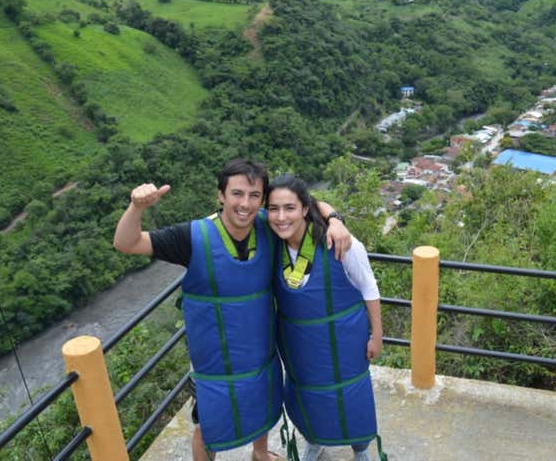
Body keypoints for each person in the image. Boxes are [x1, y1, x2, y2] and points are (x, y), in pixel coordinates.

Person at [113, 159, 352, 461]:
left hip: (259, 349)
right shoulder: (192, 237)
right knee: (207, 422)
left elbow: (307, 201)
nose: (245, 204)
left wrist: (335, 219)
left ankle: (260, 454)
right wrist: (137, 208)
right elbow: (126, 243)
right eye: (237, 194)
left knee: (261, 404)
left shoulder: (268, 225)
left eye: (255, 196)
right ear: (221, 196)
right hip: (213, 358)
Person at [265, 174, 384, 461]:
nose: (281, 217)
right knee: (308, 396)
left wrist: (377, 335)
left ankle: (360, 449)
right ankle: (315, 440)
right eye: (274, 209)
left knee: (349, 394)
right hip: (300, 344)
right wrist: (333, 214)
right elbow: (238, 213)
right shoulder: (271, 240)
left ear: (305, 209)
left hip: (344, 339)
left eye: (290, 208)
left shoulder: (340, 243)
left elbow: (369, 286)